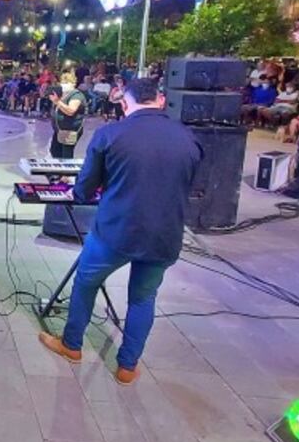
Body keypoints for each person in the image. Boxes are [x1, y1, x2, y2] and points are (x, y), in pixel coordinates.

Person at [39, 78, 202, 385]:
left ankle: (72, 345)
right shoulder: (187, 138)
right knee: (143, 299)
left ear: (124, 104)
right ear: (161, 100)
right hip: (164, 234)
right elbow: (188, 185)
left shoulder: (111, 134)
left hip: (115, 230)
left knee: (86, 283)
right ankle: (127, 366)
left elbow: (84, 190)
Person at [48, 72, 87, 159]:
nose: (64, 85)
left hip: (70, 130)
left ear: (73, 84)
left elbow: (71, 111)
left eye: (67, 82)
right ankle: (59, 171)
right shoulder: (63, 95)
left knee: (66, 155)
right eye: (63, 82)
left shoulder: (76, 95)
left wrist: (57, 102)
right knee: (54, 150)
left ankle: (66, 172)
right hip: (60, 130)